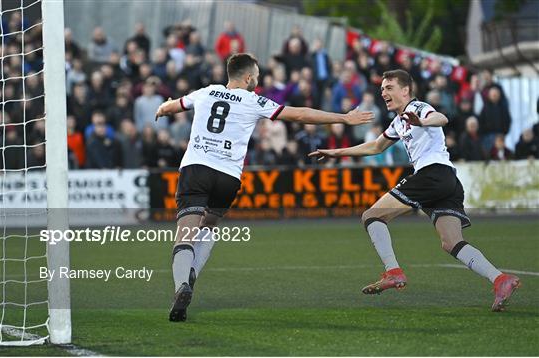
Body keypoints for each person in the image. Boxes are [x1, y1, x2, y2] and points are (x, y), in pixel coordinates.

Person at [155, 53, 374, 322]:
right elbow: (300, 114)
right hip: (228, 177)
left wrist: (163, 108)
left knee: (185, 235)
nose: (257, 82)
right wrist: (343, 118)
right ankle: (191, 275)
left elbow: (173, 106)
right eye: (256, 77)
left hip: (196, 169)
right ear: (248, 78)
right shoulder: (253, 100)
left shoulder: (205, 92)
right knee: (209, 225)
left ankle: (181, 286)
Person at [309, 69, 520, 312]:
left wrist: (423, 121)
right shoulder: (399, 120)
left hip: (431, 175)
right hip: (447, 180)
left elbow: (441, 118)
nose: (384, 93)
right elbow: (377, 147)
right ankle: (501, 280)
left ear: (405, 90)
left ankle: (394, 272)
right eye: (382, 90)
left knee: (371, 216)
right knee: (451, 242)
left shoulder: (417, 108)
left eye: (389, 88)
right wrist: (334, 152)